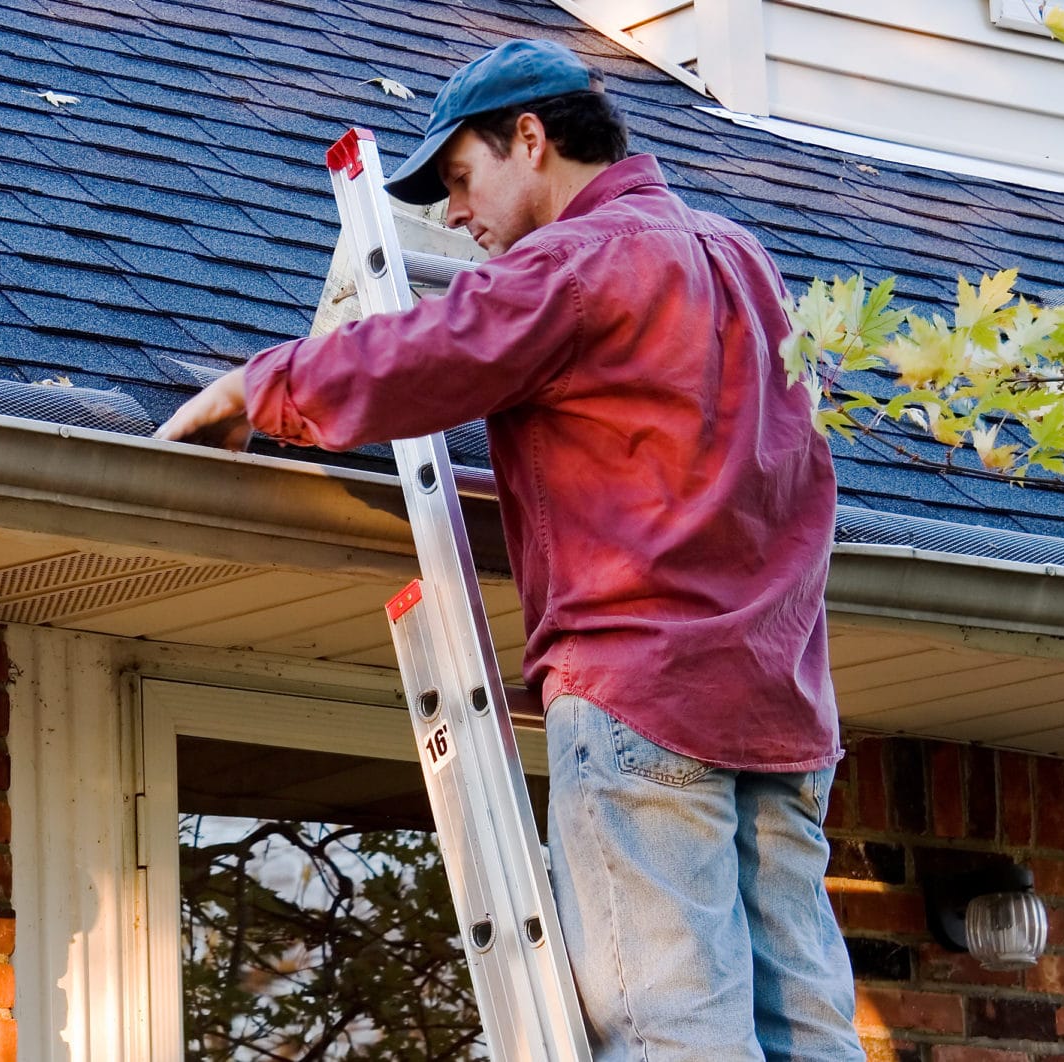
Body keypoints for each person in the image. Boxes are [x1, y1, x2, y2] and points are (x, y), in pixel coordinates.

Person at [155, 38, 864, 1062]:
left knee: (674, 1039)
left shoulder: (581, 260)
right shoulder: (741, 260)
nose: (450, 216)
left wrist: (249, 388)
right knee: (807, 1035)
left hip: (641, 699)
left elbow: (428, 354)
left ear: (529, 139)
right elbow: (777, 464)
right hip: (782, 709)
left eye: (458, 176)